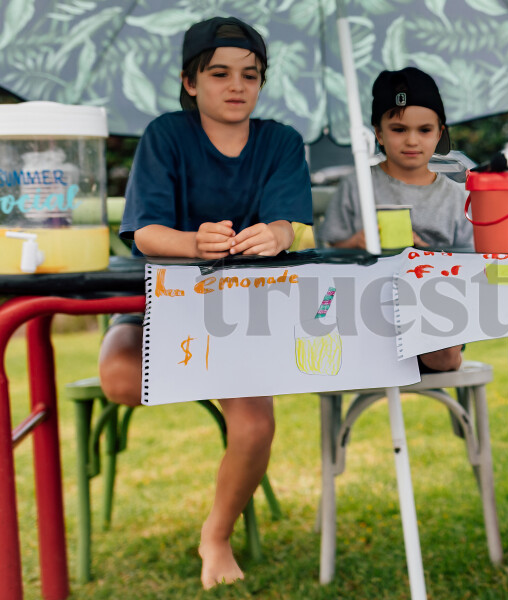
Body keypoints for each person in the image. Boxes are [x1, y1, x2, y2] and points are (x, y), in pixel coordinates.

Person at [98, 16, 312, 589]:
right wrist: (194, 243)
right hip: (157, 306)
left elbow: (290, 224)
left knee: (254, 425)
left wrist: (277, 235)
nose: (236, 85)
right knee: (120, 379)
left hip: (234, 314)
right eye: (219, 73)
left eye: (250, 74)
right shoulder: (165, 135)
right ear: (191, 82)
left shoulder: (282, 142)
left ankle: (214, 535)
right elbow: (146, 234)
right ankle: (205, 374)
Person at [319, 66, 471, 372]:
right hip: (364, 307)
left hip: (437, 310)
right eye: (399, 130)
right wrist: (357, 242)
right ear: (378, 133)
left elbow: (470, 264)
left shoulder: (456, 196)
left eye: (424, 130)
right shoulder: (358, 186)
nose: (412, 140)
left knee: (444, 352)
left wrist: (426, 256)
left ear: (440, 132)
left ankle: (430, 354)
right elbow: (328, 250)